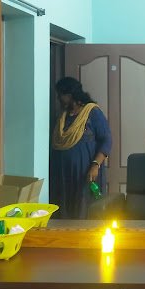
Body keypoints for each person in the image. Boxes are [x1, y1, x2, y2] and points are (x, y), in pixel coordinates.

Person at [50, 77, 112, 219]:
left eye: (61, 95)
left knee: (85, 212)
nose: (58, 99)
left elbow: (106, 140)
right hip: (64, 176)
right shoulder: (63, 117)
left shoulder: (92, 112)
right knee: (65, 214)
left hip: (85, 173)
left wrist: (95, 165)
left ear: (70, 95)